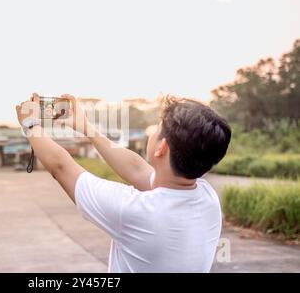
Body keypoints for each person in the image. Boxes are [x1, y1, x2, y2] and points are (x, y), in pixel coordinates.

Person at [15, 93, 231, 273]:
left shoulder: (135, 211)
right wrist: (87, 128)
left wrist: (30, 123)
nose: (153, 132)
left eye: (157, 128)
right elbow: (137, 170)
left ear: (162, 148)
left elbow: (61, 167)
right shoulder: (207, 198)